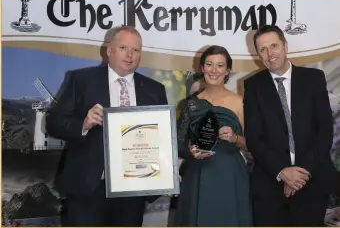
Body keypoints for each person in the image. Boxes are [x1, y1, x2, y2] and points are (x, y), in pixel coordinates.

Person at [46, 26, 168, 227]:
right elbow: (53, 123)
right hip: (89, 188)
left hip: (134, 190)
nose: (130, 55)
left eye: (135, 50)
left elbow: (162, 138)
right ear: (109, 50)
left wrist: (167, 170)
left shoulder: (155, 90)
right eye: (123, 48)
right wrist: (83, 124)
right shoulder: (81, 80)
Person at [243, 25, 337, 226]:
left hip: (311, 182)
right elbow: (254, 137)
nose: (270, 54)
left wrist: (300, 173)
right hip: (270, 185)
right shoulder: (253, 86)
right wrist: (283, 172)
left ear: (285, 45)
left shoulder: (313, 79)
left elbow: (324, 130)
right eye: (263, 49)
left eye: (274, 46)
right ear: (257, 54)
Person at [174, 45, 253, 226]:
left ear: (227, 71)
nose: (214, 70)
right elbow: (178, 143)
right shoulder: (190, 104)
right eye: (209, 64)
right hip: (197, 174)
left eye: (220, 65)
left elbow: (253, 145)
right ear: (202, 68)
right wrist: (190, 150)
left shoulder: (240, 102)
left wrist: (235, 138)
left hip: (229, 174)